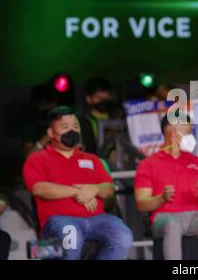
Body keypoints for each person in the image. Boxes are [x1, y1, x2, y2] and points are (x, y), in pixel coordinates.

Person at [22, 106, 133, 260]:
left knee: (123, 237)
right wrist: (78, 192)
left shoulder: (92, 159)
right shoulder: (38, 159)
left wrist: (94, 189)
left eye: (75, 126)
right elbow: (39, 188)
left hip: (98, 219)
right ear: (50, 133)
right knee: (72, 239)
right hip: (60, 219)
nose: (72, 131)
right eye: (65, 127)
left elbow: (108, 189)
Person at [134, 111, 198, 260]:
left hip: (196, 218)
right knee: (173, 224)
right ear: (172, 132)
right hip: (163, 218)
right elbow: (142, 204)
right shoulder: (148, 164)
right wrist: (161, 198)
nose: (191, 137)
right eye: (187, 132)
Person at [79, 77, 116, 154]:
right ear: (88, 99)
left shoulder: (118, 119)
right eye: (98, 98)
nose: (103, 101)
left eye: (107, 98)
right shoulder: (84, 123)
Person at [22, 84, 59, 158]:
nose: (49, 108)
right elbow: (28, 156)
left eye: (52, 105)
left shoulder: (62, 121)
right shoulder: (31, 125)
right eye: (46, 105)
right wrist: (47, 137)